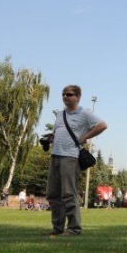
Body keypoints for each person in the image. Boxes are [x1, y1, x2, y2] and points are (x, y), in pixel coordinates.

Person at [45, 85, 107, 236]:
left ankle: (74, 228)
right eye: (63, 94)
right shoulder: (60, 114)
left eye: (69, 94)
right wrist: (50, 138)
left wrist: (84, 138)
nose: (65, 97)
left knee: (68, 193)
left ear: (78, 97)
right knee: (52, 194)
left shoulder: (84, 113)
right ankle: (57, 228)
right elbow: (57, 132)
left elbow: (102, 125)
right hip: (55, 155)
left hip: (70, 157)